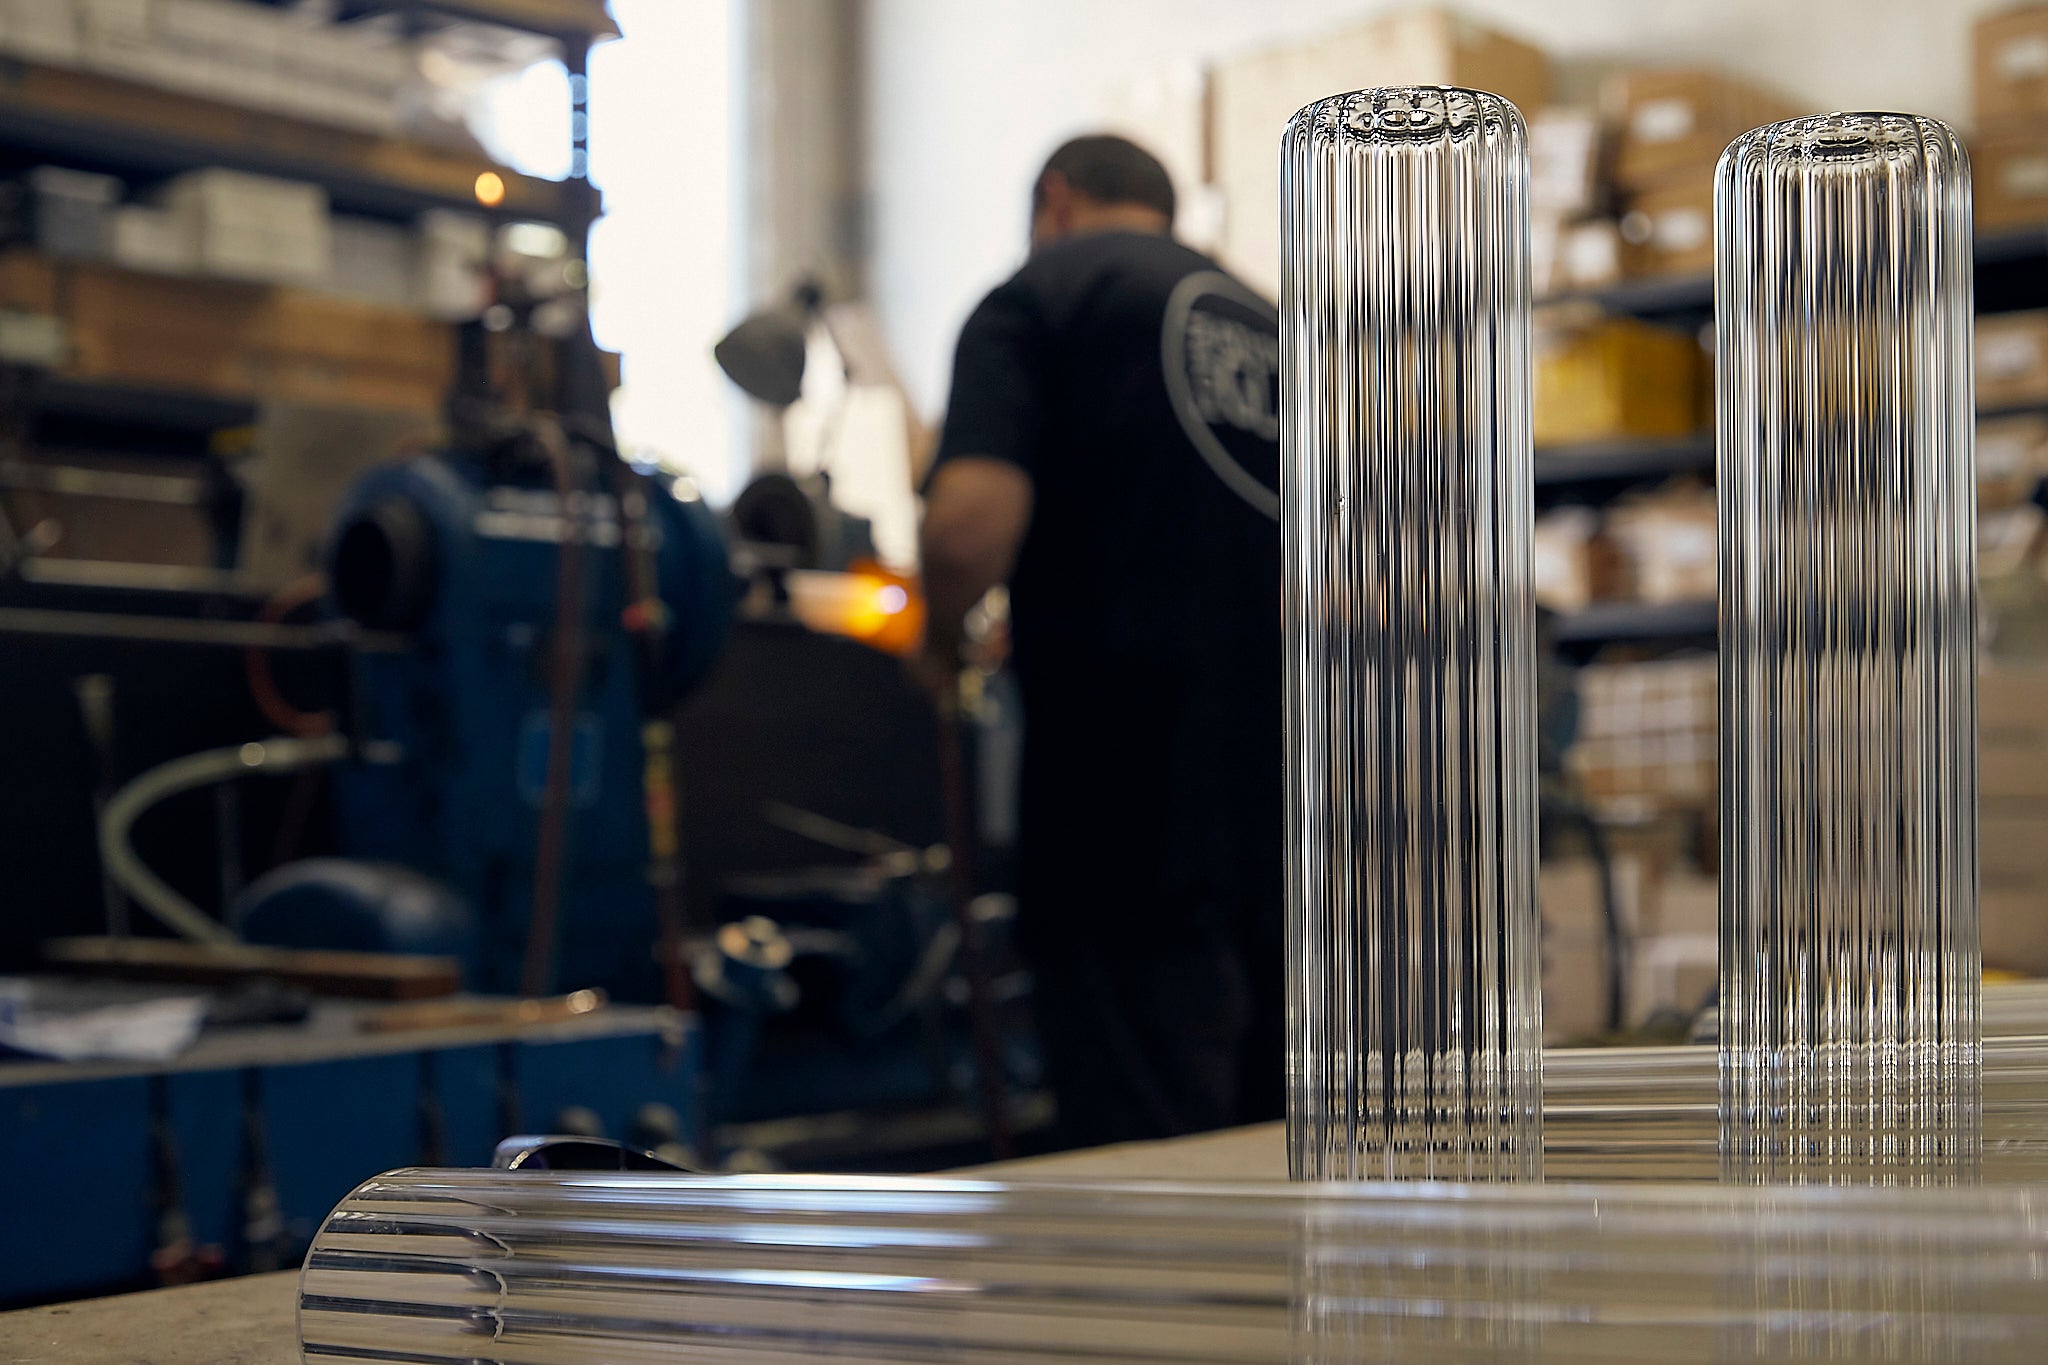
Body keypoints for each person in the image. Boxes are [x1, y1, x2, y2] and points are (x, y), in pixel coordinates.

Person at [917, 134, 1282, 1150]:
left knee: (1150, 1168)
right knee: (1272, 1154)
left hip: (1123, 803)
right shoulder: (1265, 322)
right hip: (1281, 819)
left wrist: (939, 635)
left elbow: (966, 527)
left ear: (1054, 198)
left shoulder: (1037, 298)